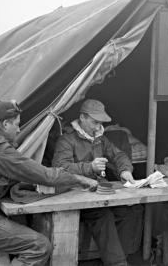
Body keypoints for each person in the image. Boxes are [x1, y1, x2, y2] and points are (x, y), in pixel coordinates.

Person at [0, 99, 97, 266]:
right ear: (5, 124)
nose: (19, 129)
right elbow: (46, 176)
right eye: (17, 124)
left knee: (23, 223)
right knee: (39, 246)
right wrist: (80, 179)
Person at [52, 99, 140, 266]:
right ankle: (118, 263)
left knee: (128, 211)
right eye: (94, 122)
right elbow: (59, 168)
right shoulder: (66, 140)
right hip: (75, 193)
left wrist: (125, 170)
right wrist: (89, 167)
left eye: (100, 123)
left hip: (99, 191)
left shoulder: (100, 138)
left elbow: (119, 155)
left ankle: (116, 257)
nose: (97, 126)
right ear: (82, 118)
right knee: (102, 215)